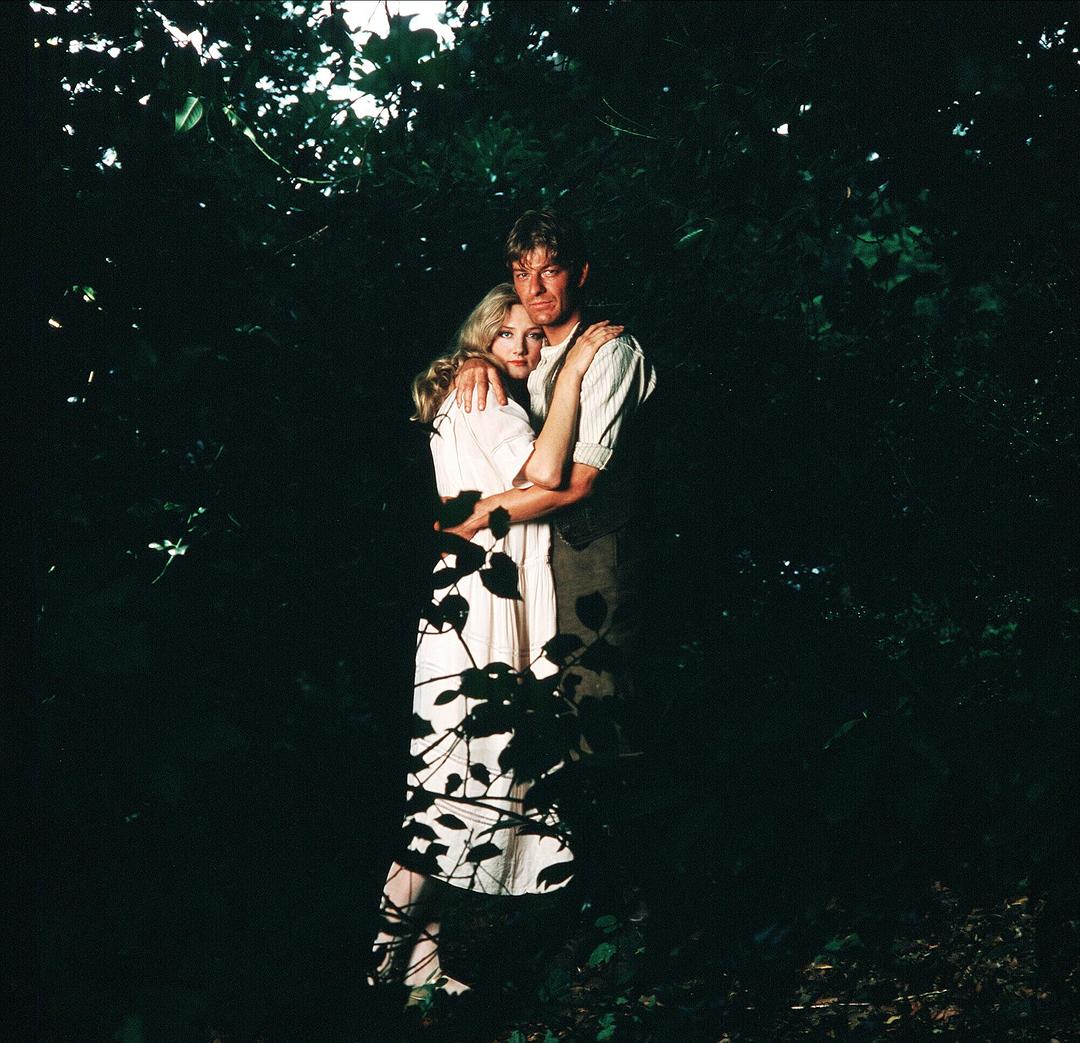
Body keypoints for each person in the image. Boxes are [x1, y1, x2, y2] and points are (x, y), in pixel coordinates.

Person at [369, 284, 623, 1001]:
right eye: (506, 334)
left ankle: (419, 971)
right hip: (480, 608)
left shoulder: (480, 390)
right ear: (481, 335)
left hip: (481, 596)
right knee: (447, 793)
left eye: (533, 336)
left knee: (458, 789)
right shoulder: (484, 397)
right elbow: (548, 477)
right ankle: (377, 966)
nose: (523, 346)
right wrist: (575, 372)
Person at [449, 209, 657, 741]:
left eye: (550, 270)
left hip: (596, 551)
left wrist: (476, 515)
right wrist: (474, 361)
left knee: (597, 704)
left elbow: (579, 482)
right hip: (541, 554)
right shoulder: (535, 352)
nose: (535, 288)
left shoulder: (607, 351)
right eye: (523, 273)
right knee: (552, 708)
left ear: (579, 274)